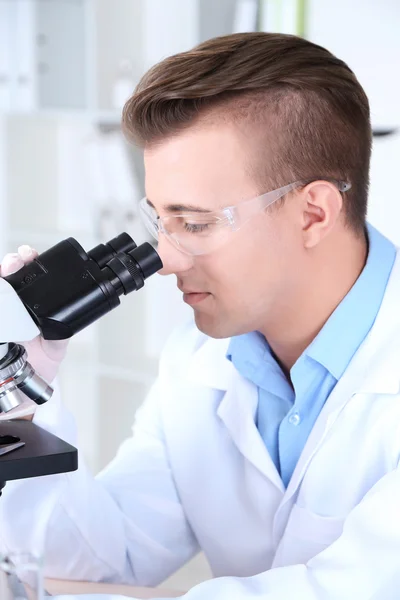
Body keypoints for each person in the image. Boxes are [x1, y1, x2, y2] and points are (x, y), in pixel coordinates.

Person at [1, 31, 400, 600]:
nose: (165, 259)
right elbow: (101, 561)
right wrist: (18, 396)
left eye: (196, 223)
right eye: (159, 221)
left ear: (313, 213)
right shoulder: (201, 362)